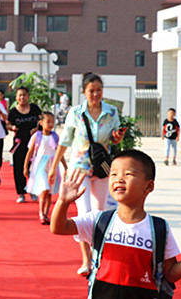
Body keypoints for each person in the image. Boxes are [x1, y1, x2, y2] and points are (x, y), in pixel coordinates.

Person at [51, 150, 181, 299]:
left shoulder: (159, 228)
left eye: (128, 174)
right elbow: (59, 227)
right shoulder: (99, 221)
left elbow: (170, 273)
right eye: (113, 174)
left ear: (149, 186)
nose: (119, 179)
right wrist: (62, 202)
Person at [48, 72, 125, 276]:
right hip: (79, 168)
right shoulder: (75, 113)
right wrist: (54, 166)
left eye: (99, 90)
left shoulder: (111, 112)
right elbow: (65, 140)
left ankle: (99, 257)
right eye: (91, 90)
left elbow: (115, 140)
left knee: (99, 213)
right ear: (84, 92)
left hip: (102, 168)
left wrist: (117, 137)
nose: (95, 94)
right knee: (84, 213)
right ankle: (86, 259)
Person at [24, 112, 67, 225]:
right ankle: (41, 213)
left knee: (49, 192)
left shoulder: (55, 136)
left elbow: (59, 152)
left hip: (52, 165)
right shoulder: (37, 136)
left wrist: (65, 166)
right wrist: (25, 166)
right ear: (41, 123)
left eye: (52, 122)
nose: (51, 124)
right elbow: (30, 152)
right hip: (40, 165)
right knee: (44, 188)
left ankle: (46, 214)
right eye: (48, 122)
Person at [7, 86, 42, 203]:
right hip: (19, 143)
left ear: (28, 96)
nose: (22, 97)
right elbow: (7, 124)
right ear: (16, 97)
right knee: (19, 167)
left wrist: (37, 128)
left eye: (24, 95)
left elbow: (44, 120)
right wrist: (11, 127)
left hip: (35, 143)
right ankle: (21, 193)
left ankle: (33, 190)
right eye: (20, 95)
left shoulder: (34, 109)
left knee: (34, 167)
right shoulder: (13, 112)